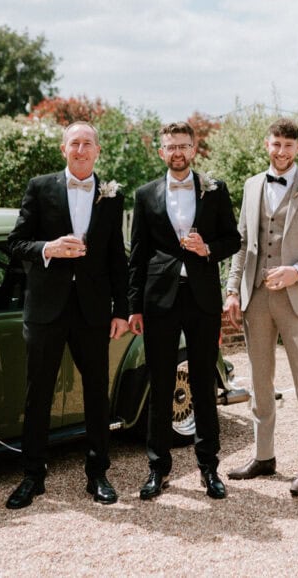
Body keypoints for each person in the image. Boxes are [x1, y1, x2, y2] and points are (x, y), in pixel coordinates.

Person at [5, 122, 130, 509]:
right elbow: (16, 243)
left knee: (96, 392)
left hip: (93, 309)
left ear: (97, 151)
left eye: (87, 143)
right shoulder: (40, 187)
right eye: (74, 143)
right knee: (38, 392)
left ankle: (98, 474)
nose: (80, 149)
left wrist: (122, 310)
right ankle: (32, 476)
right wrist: (49, 248)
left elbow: (117, 257)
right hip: (45, 308)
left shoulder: (112, 196)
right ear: (64, 149)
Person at [223, 118, 298, 496]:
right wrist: (232, 290)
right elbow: (242, 243)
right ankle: (264, 456)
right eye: (276, 144)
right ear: (267, 145)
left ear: (297, 148)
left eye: (288, 145)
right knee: (260, 380)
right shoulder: (251, 186)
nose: (281, 151)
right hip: (256, 297)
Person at [127, 122, 241, 501]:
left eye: (183, 145)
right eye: (170, 146)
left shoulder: (215, 189)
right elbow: (138, 255)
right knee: (160, 384)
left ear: (194, 149)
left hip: (202, 298)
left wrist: (207, 248)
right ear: (161, 152)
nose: (177, 152)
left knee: (203, 384)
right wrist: (134, 307)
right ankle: (158, 470)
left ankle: (209, 468)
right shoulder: (145, 195)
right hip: (159, 299)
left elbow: (233, 239)